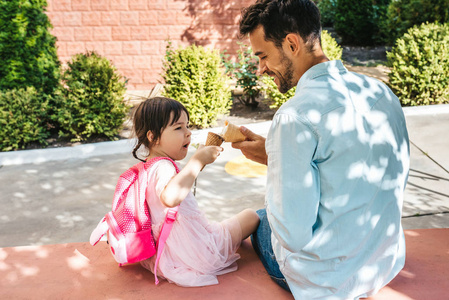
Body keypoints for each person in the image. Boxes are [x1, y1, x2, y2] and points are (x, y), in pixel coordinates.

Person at [233, 0, 410, 299]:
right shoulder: (379, 91)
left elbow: (292, 235)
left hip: (324, 282)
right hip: (383, 262)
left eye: (263, 56)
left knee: (258, 217)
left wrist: (278, 161)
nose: (261, 68)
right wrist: (274, 154)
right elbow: (352, 164)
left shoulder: (294, 116)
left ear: (291, 43)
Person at [132, 97, 260, 287]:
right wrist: (197, 161)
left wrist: (199, 161)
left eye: (187, 126)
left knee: (222, 224)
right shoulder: (164, 167)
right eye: (178, 128)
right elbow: (170, 197)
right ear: (153, 137)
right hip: (196, 252)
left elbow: (178, 183)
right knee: (251, 216)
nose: (188, 133)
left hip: (167, 252)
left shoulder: (148, 167)